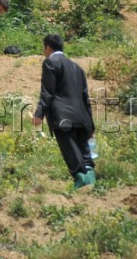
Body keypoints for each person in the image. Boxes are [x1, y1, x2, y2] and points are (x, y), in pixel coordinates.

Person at [32, 34, 96, 191]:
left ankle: (81, 182)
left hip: (62, 117)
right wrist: (91, 124)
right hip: (82, 117)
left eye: (44, 48)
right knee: (85, 154)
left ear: (48, 48)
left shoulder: (50, 63)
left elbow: (47, 92)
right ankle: (91, 183)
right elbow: (85, 97)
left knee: (71, 152)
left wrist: (39, 113)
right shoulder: (77, 68)